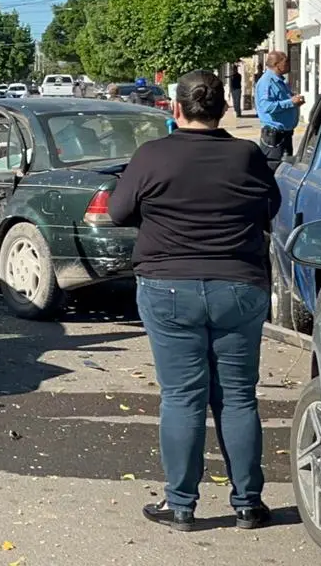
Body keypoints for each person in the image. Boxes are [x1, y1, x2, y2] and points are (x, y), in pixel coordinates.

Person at [108, 69, 281, 533]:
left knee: (183, 397)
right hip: (239, 287)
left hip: (168, 287)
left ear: (176, 109)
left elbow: (119, 210)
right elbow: (271, 209)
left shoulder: (152, 156)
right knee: (238, 397)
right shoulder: (247, 156)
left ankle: (180, 505)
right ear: (223, 108)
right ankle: (248, 502)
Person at [254, 51, 303, 167]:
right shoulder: (267, 82)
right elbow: (266, 106)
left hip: (285, 134)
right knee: (273, 169)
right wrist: (290, 102)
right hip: (274, 136)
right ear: (277, 64)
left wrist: (294, 101)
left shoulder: (280, 81)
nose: (288, 65)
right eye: (285, 62)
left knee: (284, 169)